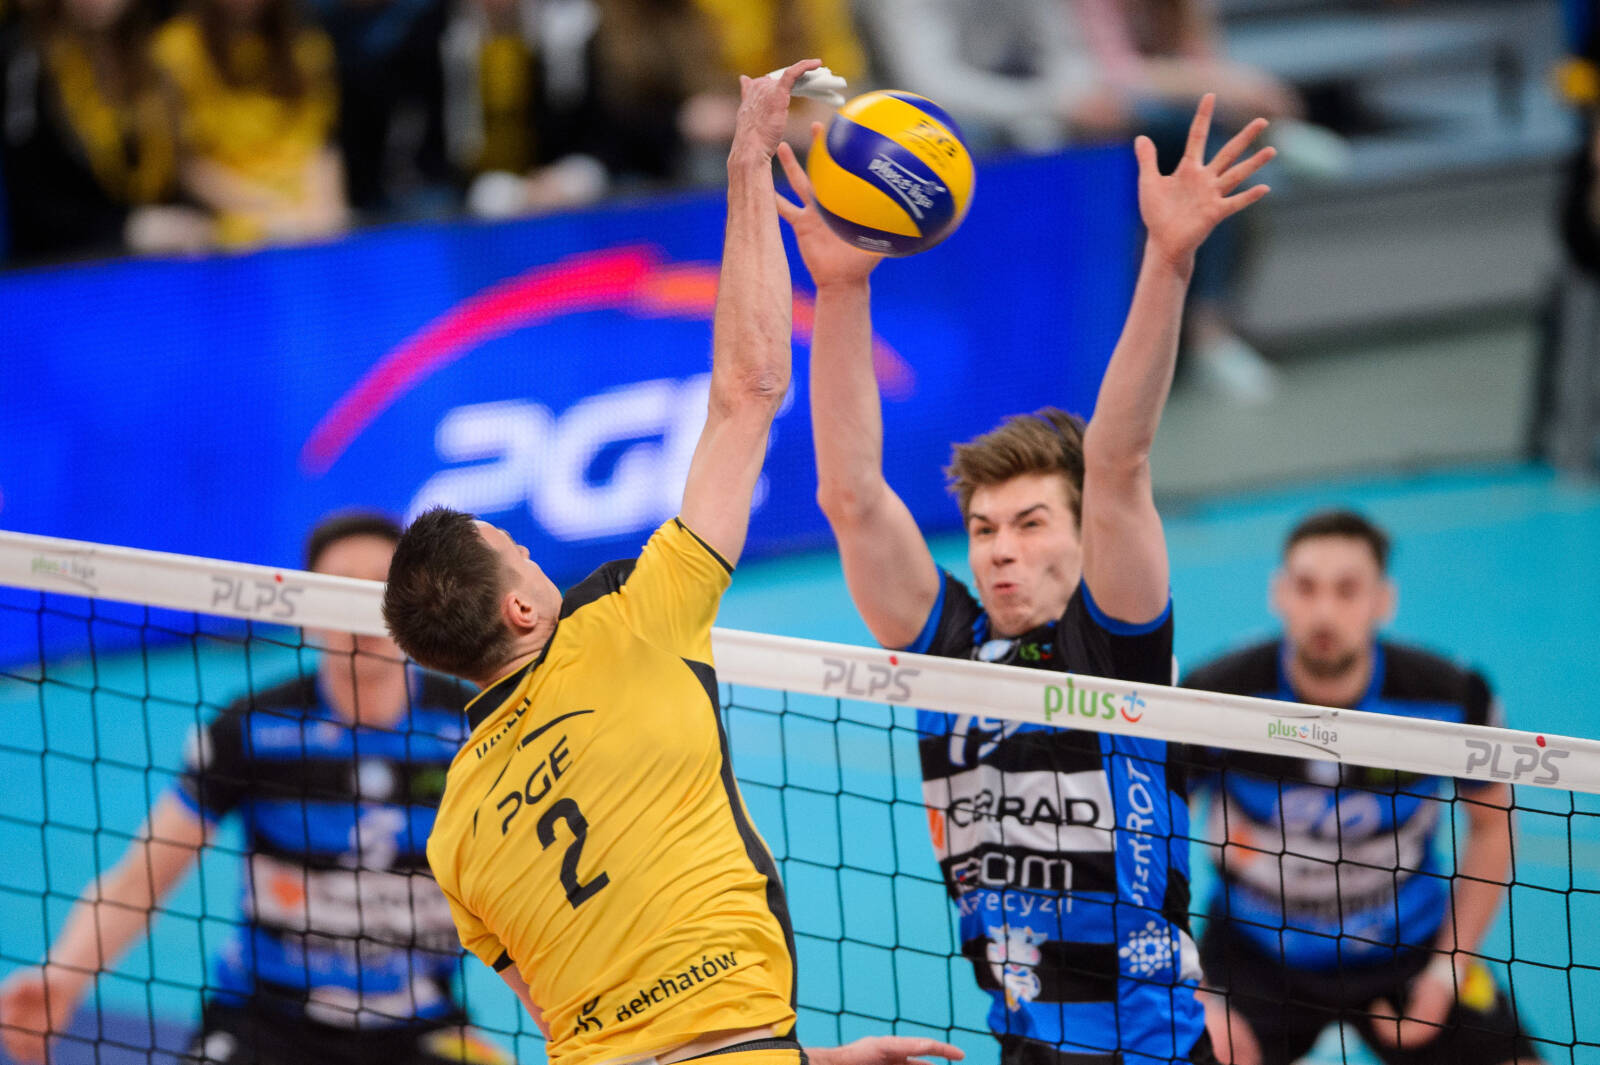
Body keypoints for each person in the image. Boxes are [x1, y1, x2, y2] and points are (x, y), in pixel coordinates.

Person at [379, 58, 962, 1065]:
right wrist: (746, 163)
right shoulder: (628, 626)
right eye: (513, 549)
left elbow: (576, 1019)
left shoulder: (453, 831)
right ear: (520, 612)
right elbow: (749, 388)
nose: (527, 545)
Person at [781, 95, 1274, 1065]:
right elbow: (851, 496)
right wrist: (840, 291)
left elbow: (1119, 462)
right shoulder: (950, 652)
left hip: (1148, 1052)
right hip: (1018, 1041)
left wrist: (1168, 260)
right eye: (983, 529)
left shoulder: (1115, 643)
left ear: (1083, 539)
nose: (1000, 549)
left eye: (1031, 523)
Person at [0, 512, 513, 1065]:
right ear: (307, 612)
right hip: (263, 1025)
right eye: (342, 588)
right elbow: (139, 880)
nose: (364, 609)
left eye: (382, 586)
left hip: (422, 1028)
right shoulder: (250, 729)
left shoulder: (475, 726)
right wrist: (64, 974)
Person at [1182, 510, 1541, 1065]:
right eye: (1307, 587)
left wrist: (1448, 969)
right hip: (1255, 958)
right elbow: (1147, 833)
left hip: (1406, 949)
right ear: (1279, 594)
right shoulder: (1217, 697)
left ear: (1383, 601)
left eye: (1347, 590)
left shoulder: (1449, 700)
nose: (1324, 612)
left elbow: (1492, 829)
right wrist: (1193, 985)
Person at [0, 0, 213, 263]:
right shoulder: (29, 62)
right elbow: (32, 203)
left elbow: (174, 170)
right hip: (63, 268)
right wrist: (127, 228)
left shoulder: (157, 57)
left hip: (164, 261)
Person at [151, 0, 349, 247]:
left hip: (306, 213)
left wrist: (325, 212)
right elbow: (187, 163)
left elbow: (321, 143)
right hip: (232, 220)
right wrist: (271, 213)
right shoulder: (176, 50)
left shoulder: (306, 45)